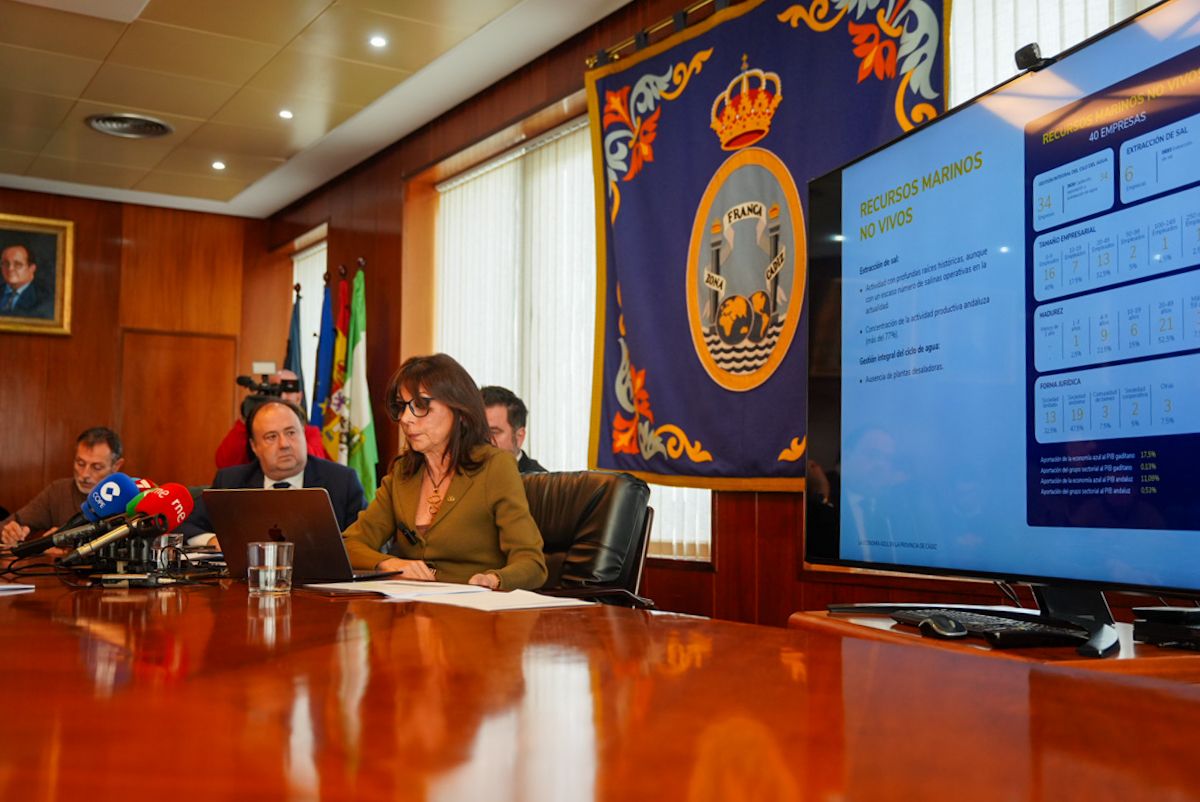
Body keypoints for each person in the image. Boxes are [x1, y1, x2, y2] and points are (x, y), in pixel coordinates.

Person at [344, 354, 547, 589]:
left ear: (458, 409)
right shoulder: (403, 473)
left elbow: (532, 564)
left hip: (474, 611)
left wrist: (492, 579)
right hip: (409, 610)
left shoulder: (495, 466)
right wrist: (387, 563)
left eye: (420, 406)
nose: (405, 419)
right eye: (401, 407)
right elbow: (349, 545)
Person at [181, 399, 365, 545]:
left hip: (323, 586)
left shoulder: (342, 481)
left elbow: (365, 542)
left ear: (303, 434)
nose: (284, 444)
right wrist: (213, 540)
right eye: (271, 437)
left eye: (291, 432)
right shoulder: (231, 481)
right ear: (254, 446)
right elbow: (183, 524)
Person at [1, 427, 125, 546]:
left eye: (97, 467)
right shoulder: (58, 491)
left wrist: (70, 543)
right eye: (80, 463)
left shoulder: (129, 496)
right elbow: (7, 524)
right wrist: (8, 533)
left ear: (116, 466)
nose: (85, 474)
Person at [214, 369, 327, 468]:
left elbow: (317, 464)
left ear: (298, 398)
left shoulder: (310, 432)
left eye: (287, 390)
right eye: (275, 391)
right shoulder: (251, 430)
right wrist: (247, 420)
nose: (281, 397)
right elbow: (224, 463)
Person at [480, 385, 546, 473]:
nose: (483, 439)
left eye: (493, 432)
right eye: (476, 431)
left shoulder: (540, 483)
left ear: (519, 437)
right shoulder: (462, 477)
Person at [0, 244, 52, 318]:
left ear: (32, 268)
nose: (10, 269)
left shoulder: (45, 298)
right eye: (5, 263)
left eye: (17, 264)